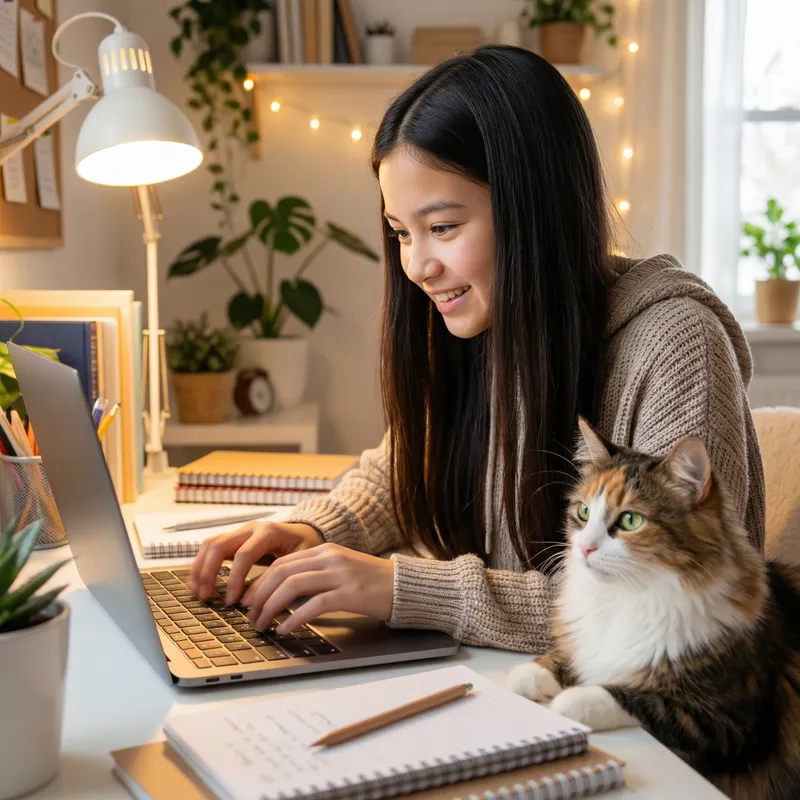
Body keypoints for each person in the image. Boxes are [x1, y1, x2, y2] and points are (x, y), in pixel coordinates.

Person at [189, 45, 765, 653]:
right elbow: (406, 470)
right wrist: (310, 530)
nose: (416, 266)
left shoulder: (675, 345)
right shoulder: (483, 316)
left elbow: (662, 609)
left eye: (441, 228)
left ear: (533, 210)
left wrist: (405, 588)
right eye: (400, 232)